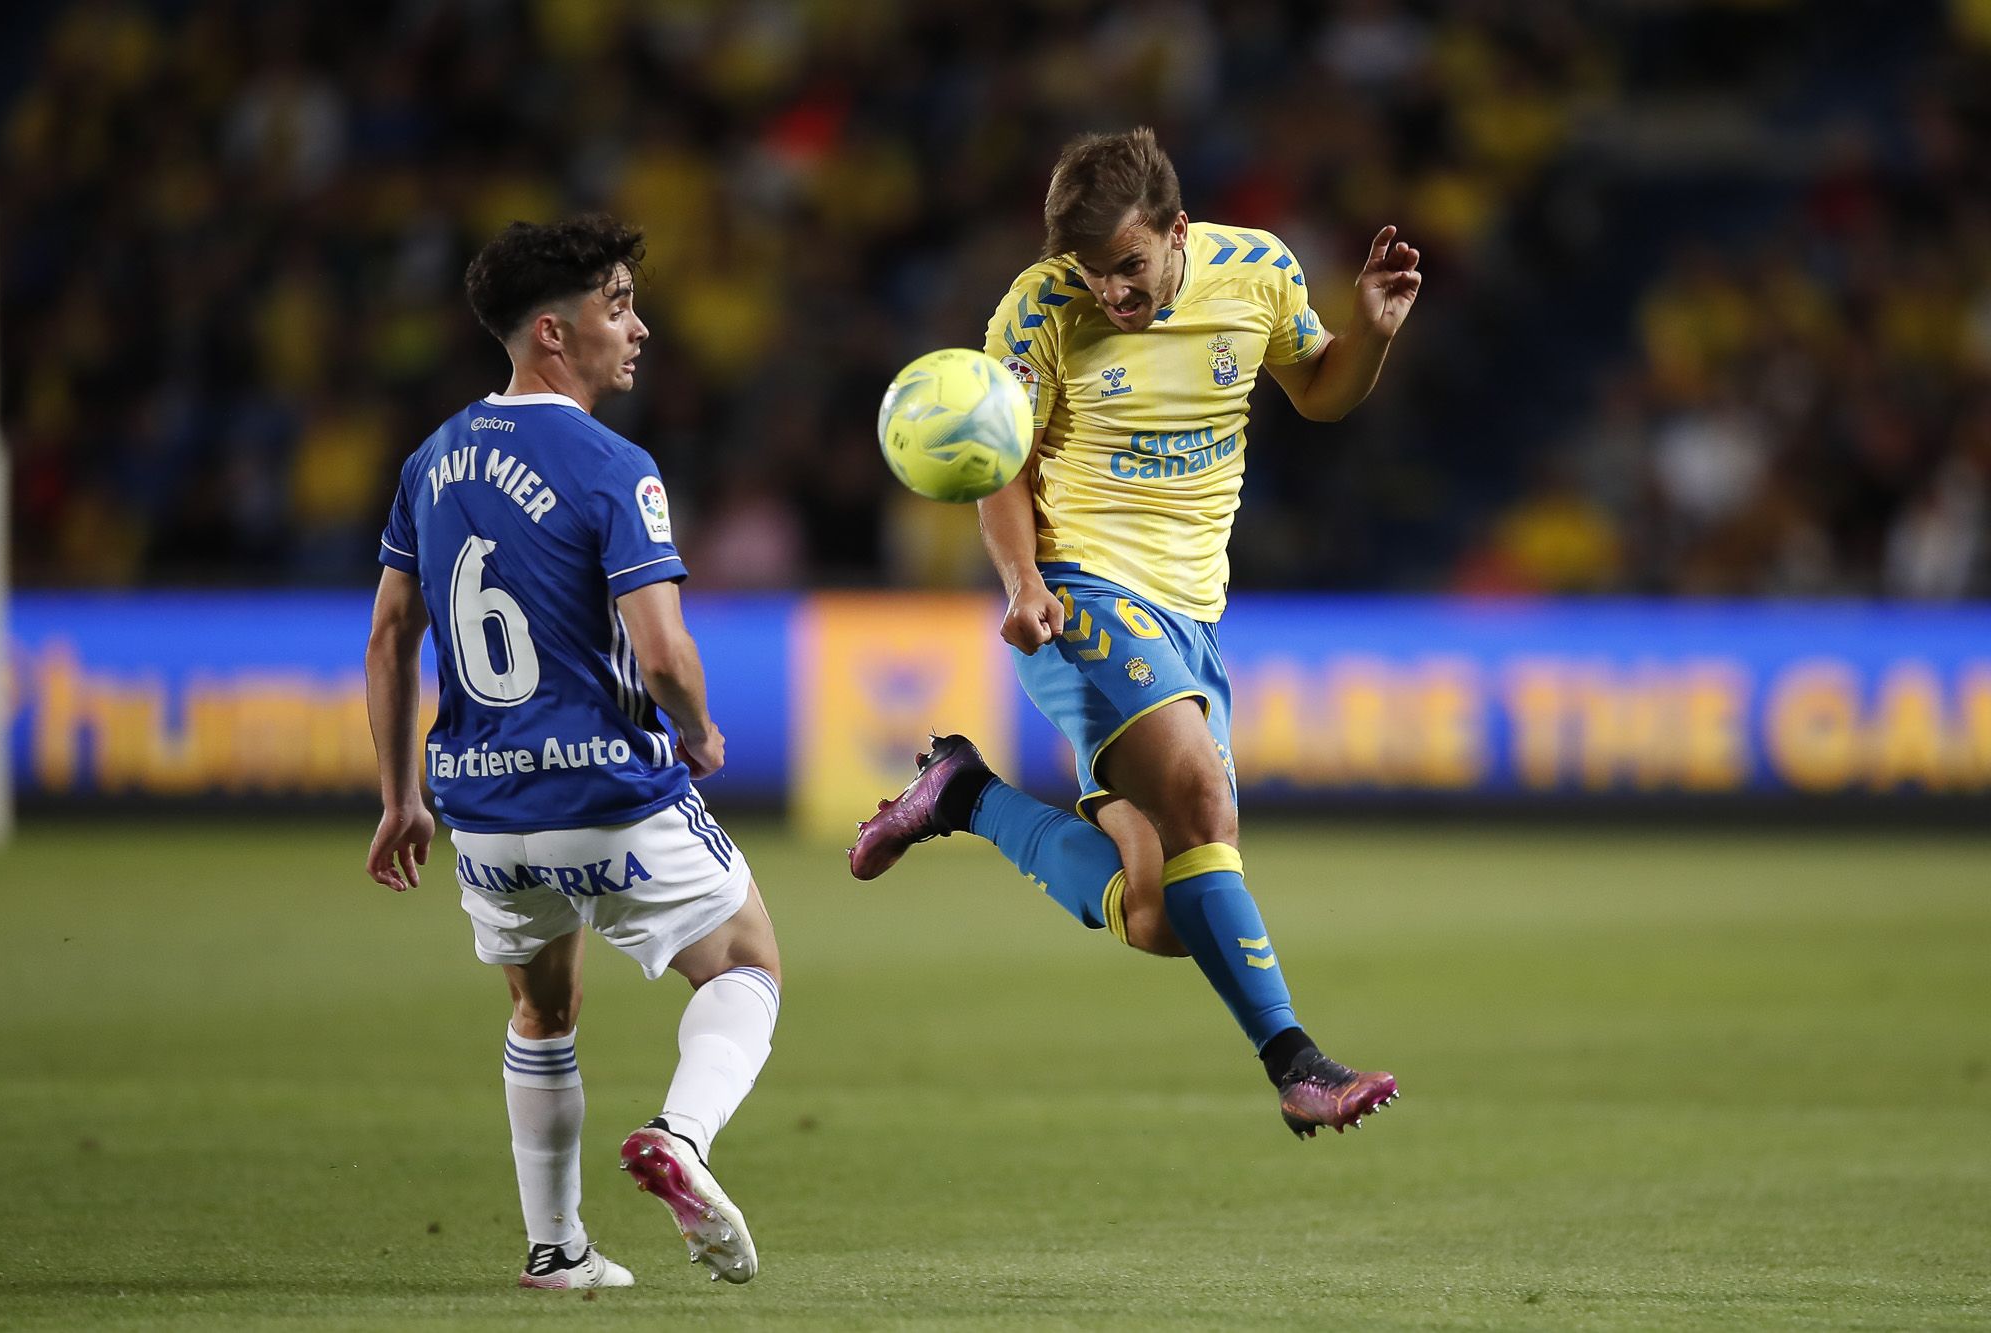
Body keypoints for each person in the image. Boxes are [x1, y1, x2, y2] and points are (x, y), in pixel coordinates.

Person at [850, 128, 1419, 1139]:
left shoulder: (1259, 274)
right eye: (1091, 273)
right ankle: (1297, 1064)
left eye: (1129, 266)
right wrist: (1022, 581)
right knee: (1202, 797)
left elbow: (1321, 392)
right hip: (1080, 594)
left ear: (1176, 232)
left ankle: (966, 795)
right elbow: (1000, 465)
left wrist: (1366, 334)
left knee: (1160, 915)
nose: (1112, 292)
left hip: (1193, 612)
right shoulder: (1037, 310)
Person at [364, 215, 781, 1290]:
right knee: (743, 959)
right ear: (552, 332)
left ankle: (556, 1249)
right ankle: (680, 1137)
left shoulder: (431, 457)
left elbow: (388, 634)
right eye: (617, 305)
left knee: (542, 1009)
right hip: (604, 789)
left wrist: (396, 796)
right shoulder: (613, 465)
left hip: (481, 812)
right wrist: (692, 728)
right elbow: (662, 648)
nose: (637, 328)